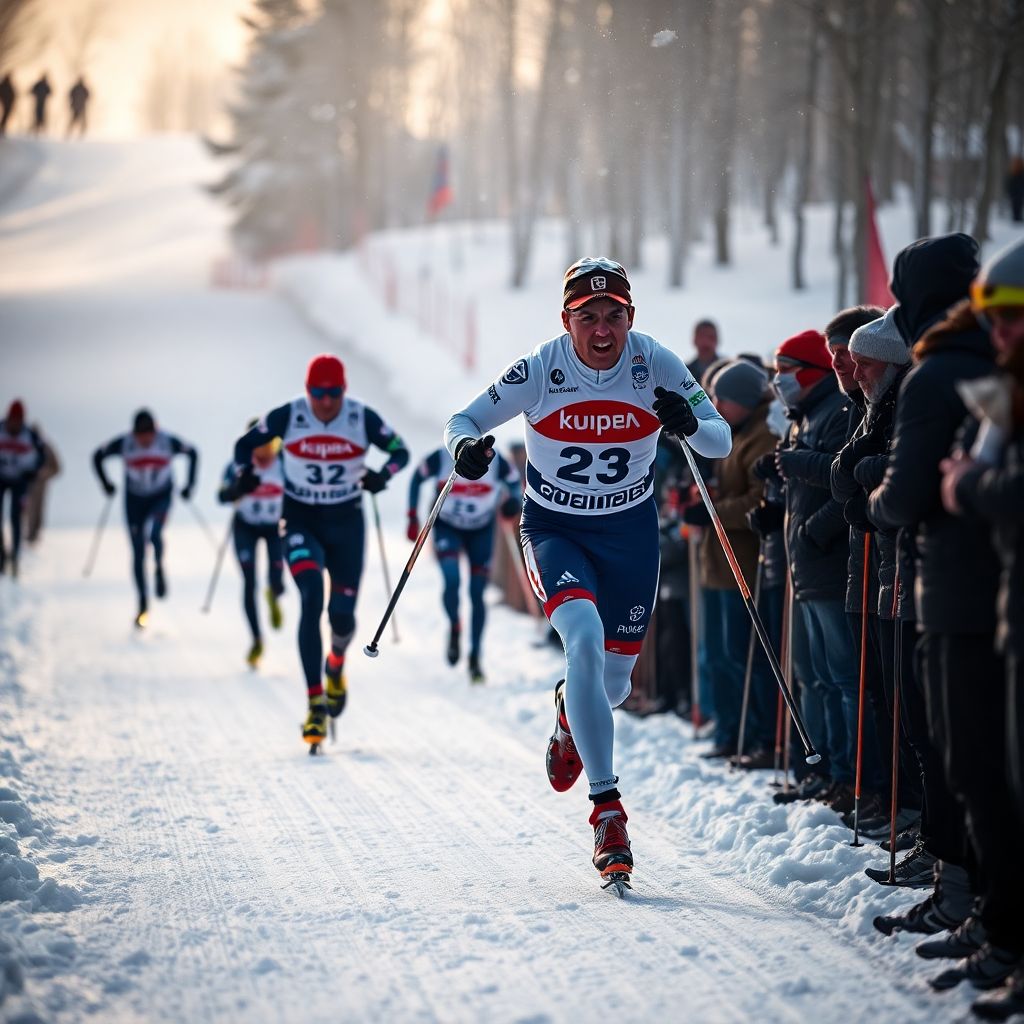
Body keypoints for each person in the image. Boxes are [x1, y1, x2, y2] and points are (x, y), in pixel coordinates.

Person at [443, 257, 731, 882]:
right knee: (584, 642)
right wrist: (465, 449)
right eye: (588, 317)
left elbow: (720, 440)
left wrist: (688, 421)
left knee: (616, 685)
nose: (603, 331)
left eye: (615, 316)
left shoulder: (653, 361)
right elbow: (462, 420)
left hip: (630, 532)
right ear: (566, 319)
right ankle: (608, 812)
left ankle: (570, 714)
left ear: (631, 316)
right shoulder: (541, 368)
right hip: (556, 529)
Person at [867, 233, 1017, 991]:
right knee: (976, 761)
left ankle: (994, 918)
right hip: (986, 584)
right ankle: (985, 911)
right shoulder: (989, 365)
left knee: (967, 762)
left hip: (955, 589)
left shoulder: (937, 373)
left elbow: (905, 494)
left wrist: (873, 494)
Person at [228, 354, 409, 749]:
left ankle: (336, 666)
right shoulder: (288, 415)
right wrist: (243, 475)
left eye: (332, 393)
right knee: (310, 596)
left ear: (343, 391)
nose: (324, 402)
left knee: (341, 618)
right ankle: (314, 705)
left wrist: (383, 476)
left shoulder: (362, 418)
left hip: (346, 524)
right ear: (307, 390)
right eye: (316, 393)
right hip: (300, 520)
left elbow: (400, 452)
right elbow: (244, 445)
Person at [938, 238, 1024, 1012]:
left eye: (1014, 318)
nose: (1000, 334)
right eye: (992, 318)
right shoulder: (1006, 387)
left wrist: (973, 484)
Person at [770, 328, 882, 815]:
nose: (779, 382)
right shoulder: (803, 416)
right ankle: (826, 769)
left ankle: (851, 774)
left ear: (807, 371)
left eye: (785, 372)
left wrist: (814, 530)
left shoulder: (835, 414)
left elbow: (844, 486)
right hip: (806, 568)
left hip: (830, 566)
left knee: (843, 679)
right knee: (813, 677)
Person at [684, 359, 778, 767]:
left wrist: (714, 509)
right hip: (720, 563)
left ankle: (756, 735)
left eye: (724, 398)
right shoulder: (736, 435)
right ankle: (730, 731)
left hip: (744, 563)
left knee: (747, 656)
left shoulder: (761, 437)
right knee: (723, 655)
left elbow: (762, 497)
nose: (718, 404)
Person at [407, 443, 521, 683]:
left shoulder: (496, 459)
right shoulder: (441, 456)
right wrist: (411, 515)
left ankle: (475, 657)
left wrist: (514, 501)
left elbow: (513, 481)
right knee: (452, 579)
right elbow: (417, 478)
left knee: (477, 593)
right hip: (447, 526)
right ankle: (455, 626)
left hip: (480, 528)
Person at [93, 410, 198, 627]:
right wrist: (106, 484)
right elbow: (97, 455)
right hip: (135, 501)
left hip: (161, 496)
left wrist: (190, 486)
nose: (145, 440)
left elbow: (193, 453)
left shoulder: (167, 441)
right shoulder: (125, 443)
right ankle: (142, 605)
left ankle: (159, 566)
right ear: (134, 433)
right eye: (141, 436)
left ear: (155, 430)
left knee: (155, 533)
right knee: (138, 551)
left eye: (149, 435)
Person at [217, 422, 285, 668]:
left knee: (276, 578)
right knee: (249, 581)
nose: (265, 452)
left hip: (274, 527)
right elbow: (221, 496)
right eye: (259, 446)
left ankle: (274, 595)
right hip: (245, 525)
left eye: (270, 445)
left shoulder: (285, 463)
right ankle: (256, 639)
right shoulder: (237, 465)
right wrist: (238, 489)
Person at [0, 400, 44, 577]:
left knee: (16, 518)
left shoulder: (30, 434)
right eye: (13, 420)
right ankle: (1, 554)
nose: (15, 425)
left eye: (19, 421)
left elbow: (42, 455)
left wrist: (33, 471)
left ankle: (16, 557)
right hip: (1, 478)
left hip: (20, 480)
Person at [24, 423, 60, 544]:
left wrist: (43, 474)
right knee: (24, 510)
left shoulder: (46, 447)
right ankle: (26, 536)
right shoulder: (25, 445)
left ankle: (33, 536)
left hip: (40, 485)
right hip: (25, 484)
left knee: (37, 510)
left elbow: (57, 468)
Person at [687, 319, 720, 384]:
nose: (706, 342)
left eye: (711, 337)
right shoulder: (685, 373)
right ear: (695, 340)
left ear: (717, 340)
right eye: (701, 337)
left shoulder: (726, 370)